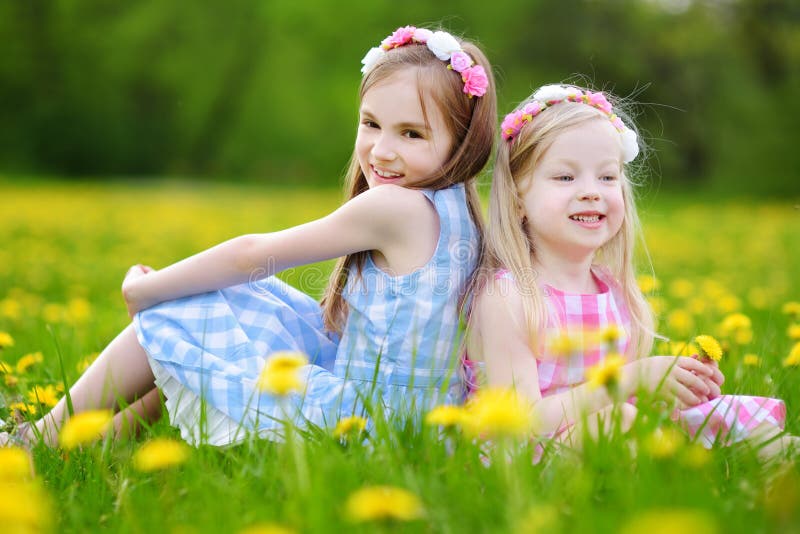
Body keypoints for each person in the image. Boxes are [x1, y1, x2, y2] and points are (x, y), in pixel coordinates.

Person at [2, 25, 496, 448]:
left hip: (365, 424)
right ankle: (86, 445)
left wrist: (146, 291)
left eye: (412, 134)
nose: (382, 150)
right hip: (418, 424)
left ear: (462, 140)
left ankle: (41, 439)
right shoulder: (460, 213)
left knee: (188, 305)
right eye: (371, 124)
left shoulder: (395, 206)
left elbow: (252, 257)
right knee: (224, 318)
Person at [466, 84, 796, 459]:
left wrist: (676, 382)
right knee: (620, 422)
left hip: (611, 428)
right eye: (565, 177)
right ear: (518, 200)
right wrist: (631, 379)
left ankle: (770, 468)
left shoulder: (613, 287)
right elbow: (523, 420)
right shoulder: (509, 297)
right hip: (528, 455)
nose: (591, 191)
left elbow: (630, 397)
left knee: (731, 425)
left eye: (607, 178)